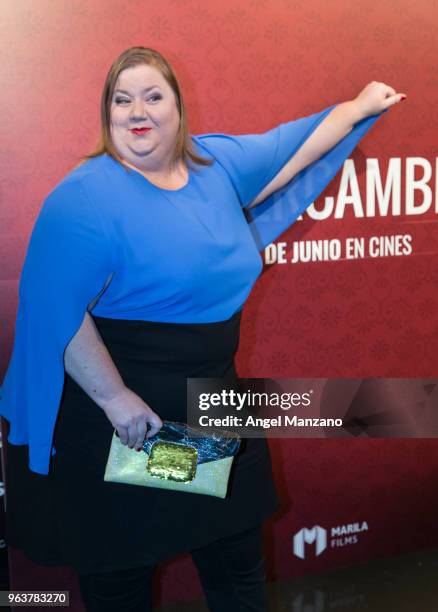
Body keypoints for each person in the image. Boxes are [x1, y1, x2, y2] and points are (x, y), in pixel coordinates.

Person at [0, 46, 403, 611]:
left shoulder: (216, 166)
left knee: (236, 562)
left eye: (152, 95)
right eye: (121, 100)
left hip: (213, 401)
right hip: (128, 418)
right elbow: (50, 309)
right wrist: (116, 399)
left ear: (178, 107)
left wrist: (359, 105)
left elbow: (292, 147)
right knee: (123, 578)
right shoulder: (82, 199)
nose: (136, 111)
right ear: (106, 114)